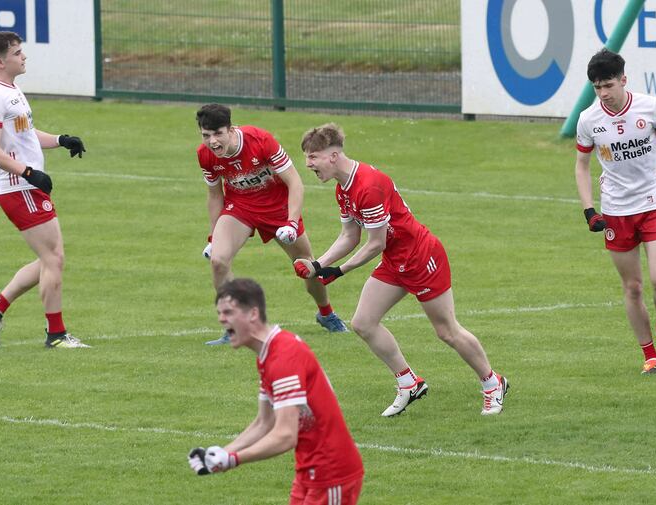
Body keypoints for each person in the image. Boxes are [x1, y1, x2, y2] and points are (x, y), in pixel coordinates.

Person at [294, 124, 509, 417]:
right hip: (397, 259)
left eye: (313, 156)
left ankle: (493, 383)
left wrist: (339, 271)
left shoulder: (367, 186)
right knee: (363, 322)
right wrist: (319, 264)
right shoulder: (343, 189)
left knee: (446, 331)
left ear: (333, 156)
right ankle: (409, 383)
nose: (308, 164)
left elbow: (375, 244)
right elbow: (349, 236)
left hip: (421, 258)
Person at [575, 49, 656, 375]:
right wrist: (590, 210)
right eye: (597, 87)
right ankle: (650, 354)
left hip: (653, 203)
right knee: (633, 287)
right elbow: (582, 166)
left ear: (623, 80)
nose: (603, 93)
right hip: (615, 210)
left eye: (609, 85)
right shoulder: (589, 120)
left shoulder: (650, 107)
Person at [188, 278, 364, 504]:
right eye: (220, 313)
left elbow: (285, 436)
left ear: (253, 313)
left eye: (229, 312)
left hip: (331, 474)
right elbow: (264, 422)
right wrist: (221, 454)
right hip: (309, 471)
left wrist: (234, 459)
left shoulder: (283, 357)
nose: (221, 319)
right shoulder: (268, 354)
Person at [196, 104, 347, 345]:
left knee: (308, 267)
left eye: (218, 134)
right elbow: (215, 196)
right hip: (241, 208)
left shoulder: (260, 140)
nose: (212, 141)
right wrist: (213, 237)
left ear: (231, 129)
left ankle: (326, 313)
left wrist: (291, 222)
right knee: (218, 261)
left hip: (278, 209)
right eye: (206, 135)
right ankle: (235, 328)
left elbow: (295, 182)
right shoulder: (205, 155)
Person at [0, 31, 89, 349]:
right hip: (18, 187)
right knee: (54, 259)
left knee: (51, 258)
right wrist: (28, 172)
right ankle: (56, 334)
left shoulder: (12, 91)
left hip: (26, 186)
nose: (24, 57)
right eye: (17, 53)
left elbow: (26, 133)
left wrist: (61, 139)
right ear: (0, 62)